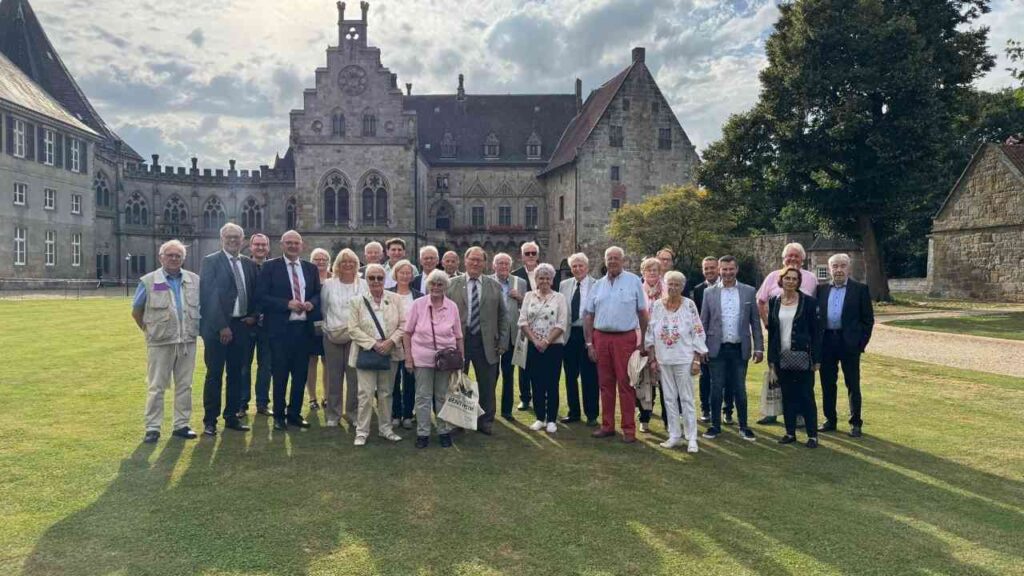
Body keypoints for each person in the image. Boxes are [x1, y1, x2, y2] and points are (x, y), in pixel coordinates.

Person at [131, 240, 200, 443]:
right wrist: (149, 329)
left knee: (185, 385)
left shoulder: (194, 280)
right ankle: (152, 428)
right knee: (156, 386)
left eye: (178, 255)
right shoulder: (149, 280)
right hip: (160, 342)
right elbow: (136, 310)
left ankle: (181, 425)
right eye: (169, 255)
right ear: (161, 257)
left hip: (187, 340)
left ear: (183, 259)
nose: (173, 258)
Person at [255, 230, 322, 430]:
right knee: (280, 373)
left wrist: (311, 303)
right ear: (282, 244)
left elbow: (318, 294)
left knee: (300, 374)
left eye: (296, 243)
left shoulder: (310, 268)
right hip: (279, 331)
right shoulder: (270, 267)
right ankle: (278, 416)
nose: (293, 246)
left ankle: (294, 413)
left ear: (302, 245)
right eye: (289, 243)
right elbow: (261, 297)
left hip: (303, 330)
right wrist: (287, 304)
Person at [583, 246, 649, 443]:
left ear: (623, 260)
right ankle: (607, 426)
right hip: (601, 337)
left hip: (625, 338)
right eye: (609, 258)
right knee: (605, 384)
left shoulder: (634, 281)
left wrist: (643, 341)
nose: (612, 261)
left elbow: (642, 313)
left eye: (616, 258)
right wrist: (589, 343)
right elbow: (588, 315)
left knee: (626, 384)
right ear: (605, 261)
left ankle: (628, 429)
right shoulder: (598, 285)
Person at [199, 223, 257, 436]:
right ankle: (210, 421)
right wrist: (222, 326)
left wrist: (253, 315)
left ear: (243, 240)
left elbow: (254, 292)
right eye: (229, 237)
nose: (233, 241)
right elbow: (208, 296)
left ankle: (231, 416)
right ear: (221, 239)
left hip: (241, 325)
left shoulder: (249, 264)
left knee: (236, 373)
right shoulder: (211, 261)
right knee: (214, 374)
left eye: (237, 237)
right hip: (217, 327)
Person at [700, 255, 763, 442]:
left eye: (731, 269)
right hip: (716, 348)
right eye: (724, 269)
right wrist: (700, 349)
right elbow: (703, 322)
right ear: (719, 270)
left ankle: (744, 426)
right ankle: (715, 426)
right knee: (716, 388)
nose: (727, 273)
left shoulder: (749, 291)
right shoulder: (709, 293)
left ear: (737, 270)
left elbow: (755, 322)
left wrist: (759, 348)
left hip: (739, 348)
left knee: (739, 389)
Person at [755, 242, 818, 425]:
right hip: (778, 336)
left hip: (800, 338)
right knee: (775, 374)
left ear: (803, 260)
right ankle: (772, 412)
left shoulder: (811, 279)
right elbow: (760, 301)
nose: (792, 259)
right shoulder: (773, 276)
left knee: (799, 378)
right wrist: (767, 323)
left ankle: (799, 414)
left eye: (796, 256)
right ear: (783, 259)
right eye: (789, 256)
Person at [447, 247, 509, 435]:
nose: (475, 263)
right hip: (459, 342)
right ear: (464, 261)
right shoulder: (451, 285)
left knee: (487, 383)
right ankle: (458, 421)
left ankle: (485, 421)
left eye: (479, 260)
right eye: (471, 259)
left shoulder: (494, 286)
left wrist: (503, 342)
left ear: (485, 263)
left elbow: (503, 316)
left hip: (487, 342)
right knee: (457, 382)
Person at [646, 270, 707, 452]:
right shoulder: (657, 306)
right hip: (664, 360)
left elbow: (697, 331)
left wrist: (697, 360)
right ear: (665, 285)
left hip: (684, 359)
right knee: (669, 399)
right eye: (670, 284)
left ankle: (692, 438)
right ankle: (674, 435)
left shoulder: (689, 305)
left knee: (687, 399)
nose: (673, 288)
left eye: (677, 285)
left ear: (682, 287)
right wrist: (652, 359)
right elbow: (650, 333)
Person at [402, 270, 464, 448]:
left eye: (440, 284)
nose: (436, 287)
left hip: (446, 360)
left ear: (446, 287)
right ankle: (423, 433)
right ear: (428, 285)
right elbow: (407, 333)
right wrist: (408, 358)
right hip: (422, 358)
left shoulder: (452, 306)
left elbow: (458, 336)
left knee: (442, 396)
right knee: (422, 397)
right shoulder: (418, 304)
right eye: (433, 284)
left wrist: (461, 358)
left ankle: (443, 431)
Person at [348, 263, 406, 446]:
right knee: (365, 394)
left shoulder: (396, 299)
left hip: (391, 352)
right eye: (371, 277)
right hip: (366, 352)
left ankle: (385, 429)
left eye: (379, 278)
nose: (375, 281)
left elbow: (404, 324)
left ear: (384, 279)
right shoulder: (356, 301)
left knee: (386, 392)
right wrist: (374, 344)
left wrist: (390, 342)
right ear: (366, 279)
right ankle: (362, 432)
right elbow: (353, 329)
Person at [816, 253, 874, 437]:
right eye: (835, 266)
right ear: (830, 268)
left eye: (842, 266)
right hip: (827, 342)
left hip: (848, 343)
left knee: (853, 384)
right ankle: (830, 420)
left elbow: (868, 321)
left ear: (849, 268)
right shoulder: (821, 290)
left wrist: (860, 344)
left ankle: (855, 423)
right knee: (827, 383)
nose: (839, 270)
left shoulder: (860, 290)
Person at [767, 266, 821, 448]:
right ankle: (790, 433)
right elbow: (773, 333)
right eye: (787, 278)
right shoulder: (774, 301)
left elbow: (816, 332)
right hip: (782, 357)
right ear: (781, 280)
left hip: (803, 357)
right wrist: (771, 361)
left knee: (806, 396)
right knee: (787, 396)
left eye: (794, 279)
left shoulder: (809, 303)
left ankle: (812, 435)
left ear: (799, 282)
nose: (790, 281)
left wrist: (816, 359)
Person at [518, 263, 568, 433]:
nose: (544, 281)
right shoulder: (528, 296)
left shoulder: (559, 298)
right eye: (541, 278)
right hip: (533, 347)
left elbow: (562, 323)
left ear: (552, 280)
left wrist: (546, 341)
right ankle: (540, 418)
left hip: (553, 347)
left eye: (548, 278)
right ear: (536, 280)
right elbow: (523, 321)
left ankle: (552, 419)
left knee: (552, 383)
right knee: (536, 382)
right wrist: (535, 341)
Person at [320, 248, 367, 428]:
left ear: (356, 264)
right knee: (334, 376)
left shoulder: (362, 284)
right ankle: (333, 414)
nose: (348, 265)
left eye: (352, 262)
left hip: (355, 337)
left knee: (354, 377)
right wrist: (331, 326)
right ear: (337, 264)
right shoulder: (329, 284)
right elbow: (324, 309)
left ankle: (353, 413)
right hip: (332, 335)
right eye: (343, 261)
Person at [690, 256, 732, 423]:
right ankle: (705, 409)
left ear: (719, 269)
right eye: (706, 268)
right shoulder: (699, 290)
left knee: (728, 379)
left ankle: (727, 410)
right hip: (706, 342)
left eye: (712, 268)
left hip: (726, 341)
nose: (709, 271)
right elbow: (698, 319)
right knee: (705, 377)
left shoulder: (729, 288)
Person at [558, 252, 598, 426]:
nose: (577, 268)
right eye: (574, 266)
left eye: (581, 265)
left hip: (589, 334)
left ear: (587, 267)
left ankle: (591, 414)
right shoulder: (564, 285)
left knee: (590, 376)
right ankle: (573, 412)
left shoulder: (597, 285)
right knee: (570, 376)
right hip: (569, 335)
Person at [490, 252, 528, 419]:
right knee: (490, 375)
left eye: (506, 263)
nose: (503, 266)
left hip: (512, 335)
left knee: (508, 374)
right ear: (494, 266)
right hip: (491, 336)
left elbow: (527, 306)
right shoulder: (487, 281)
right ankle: (488, 410)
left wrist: (520, 297)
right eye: (500, 263)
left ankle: (506, 411)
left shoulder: (520, 282)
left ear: (510, 266)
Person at [240, 233, 272, 417]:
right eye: (257, 244)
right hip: (246, 325)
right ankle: (242, 404)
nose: (260, 248)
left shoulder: (274, 267)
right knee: (243, 366)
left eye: (263, 245)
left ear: (268, 247)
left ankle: (262, 404)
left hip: (268, 326)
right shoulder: (243, 266)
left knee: (265, 366)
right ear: (250, 247)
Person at [387, 258, 421, 429]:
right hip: (392, 342)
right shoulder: (387, 294)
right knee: (392, 381)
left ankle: (408, 414)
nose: (405, 276)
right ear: (396, 274)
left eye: (408, 273)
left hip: (413, 344)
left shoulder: (418, 296)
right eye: (402, 272)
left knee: (409, 380)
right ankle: (395, 414)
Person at [639, 256, 666, 432]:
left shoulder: (666, 289)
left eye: (655, 270)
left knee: (665, 383)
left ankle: (668, 420)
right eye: (648, 270)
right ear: (643, 272)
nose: (652, 273)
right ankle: (644, 418)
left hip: (664, 341)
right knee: (644, 381)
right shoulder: (638, 290)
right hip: (643, 339)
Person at [306, 247, 332, 412]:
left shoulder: (334, 279)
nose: (320, 262)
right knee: (311, 361)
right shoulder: (307, 278)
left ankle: (327, 397)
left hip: (330, 325)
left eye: (324, 259)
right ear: (311, 261)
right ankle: (312, 398)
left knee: (328, 362)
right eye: (317, 259)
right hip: (310, 324)